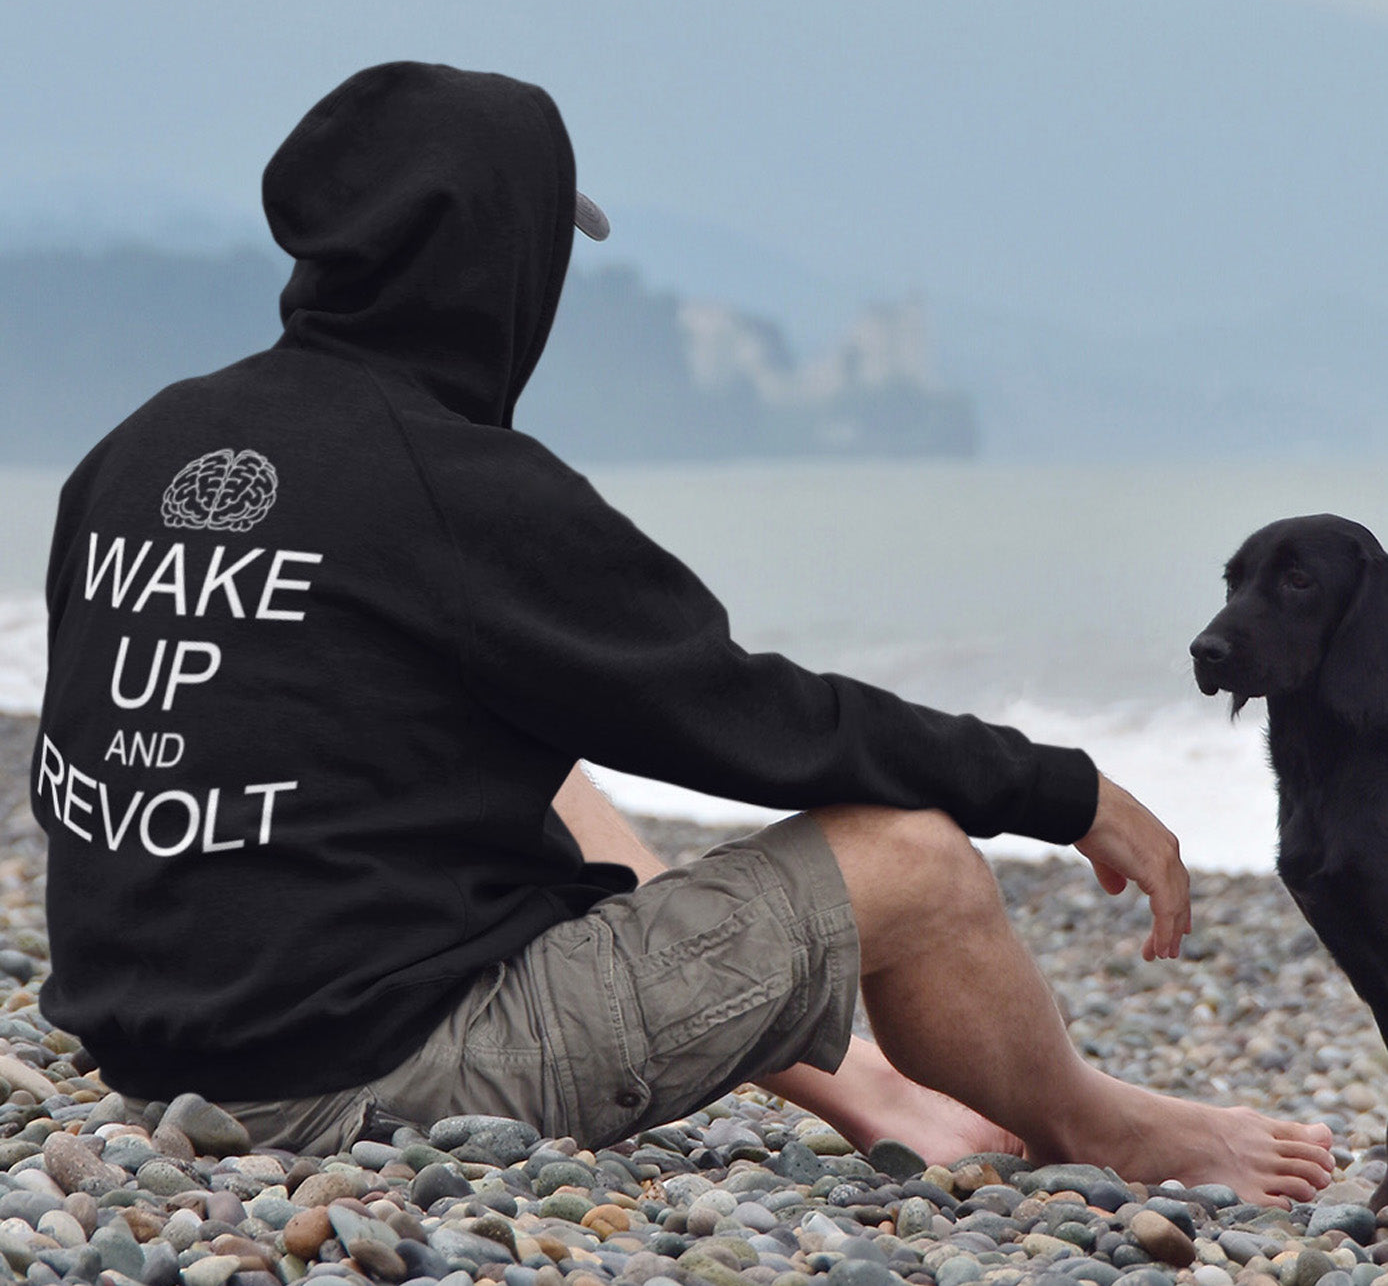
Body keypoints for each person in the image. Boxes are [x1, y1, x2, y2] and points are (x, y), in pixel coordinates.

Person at [30, 62, 1332, 1206]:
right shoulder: (457, 488)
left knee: (522, 737)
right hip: (360, 1076)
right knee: (916, 861)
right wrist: (1061, 787)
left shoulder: (138, 446)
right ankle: (1102, 1128)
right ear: (499, 264)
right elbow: (757, 721)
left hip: (158, 1057)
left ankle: (870, 1087)